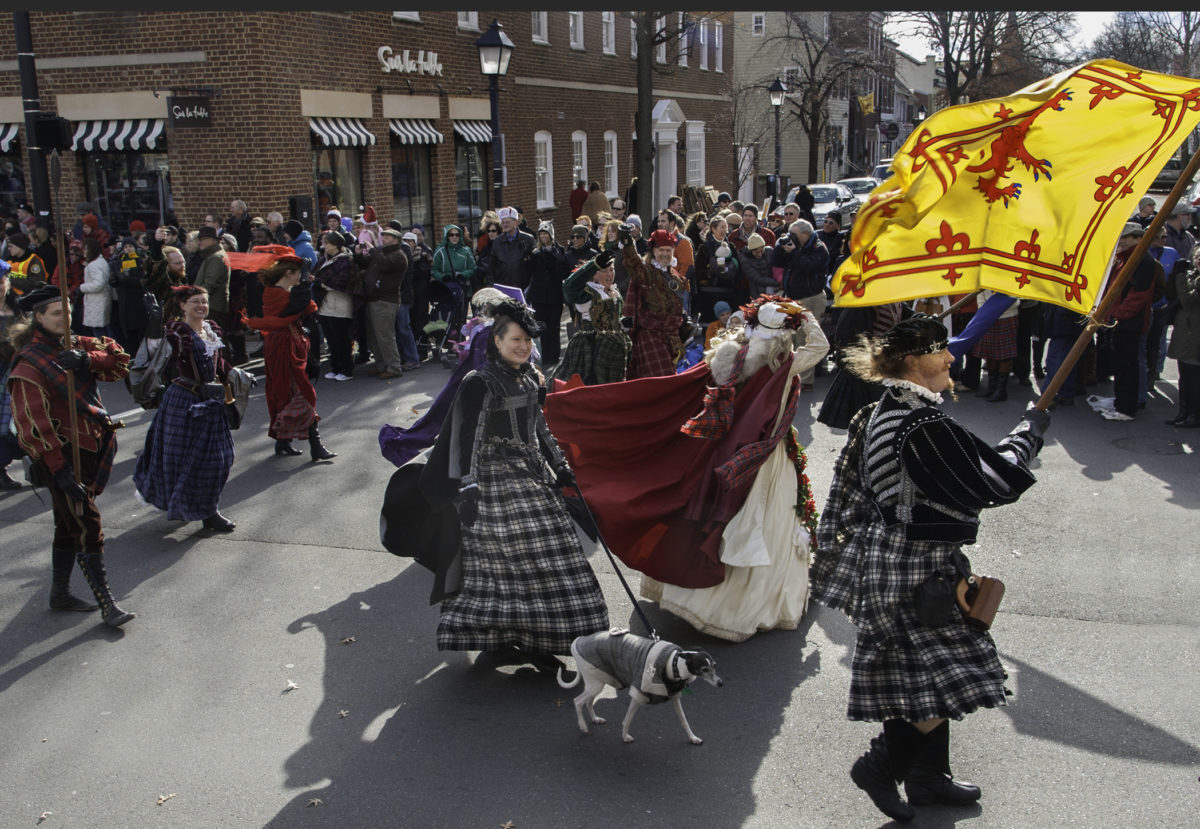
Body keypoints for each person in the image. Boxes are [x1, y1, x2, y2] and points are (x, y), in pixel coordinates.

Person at [810, 315, 1049, 822]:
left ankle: (927, 777)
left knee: (921, 674)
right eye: (942, 351)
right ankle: (881, 764)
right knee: (944, 677)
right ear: (915, 362)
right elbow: (993, 483)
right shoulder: (921, 425)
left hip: (902, 558)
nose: (952, 359)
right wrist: (1028, 435)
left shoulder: (886, 409)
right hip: (911, 568)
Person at [411, 299, 609, 671]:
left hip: (530, 472)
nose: (523, 346)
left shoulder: (533, 376)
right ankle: (505, 640)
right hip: (492, 481)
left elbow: (540, 427)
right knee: (502, 568)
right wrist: (469, 488)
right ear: (496, 341)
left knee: (550, 556)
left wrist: (560, 465)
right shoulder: (480, 382)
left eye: (527, 341)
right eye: (516, 339)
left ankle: (537, 640)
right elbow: (468, 439)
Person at [7, 283, 135, 626]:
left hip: (92, 445)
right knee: (86, 524)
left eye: (66, 310)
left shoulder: (77, 344)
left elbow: (119, 361)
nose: (64, 317)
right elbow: (31, 420)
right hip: (61, 456)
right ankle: (108, 604)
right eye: (54, 313)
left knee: (67, 525)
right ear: (38, 318)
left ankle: (59, 594)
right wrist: (59, 469)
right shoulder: (29, 362)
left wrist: (86, 359)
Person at [132, 285, 237, 532]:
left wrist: (235, 374)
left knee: (220, 459)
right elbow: (155, 354)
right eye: (195, 302)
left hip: (211, 402)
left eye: (204, 301)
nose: (201, 306)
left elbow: (218, 362)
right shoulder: (177, 332)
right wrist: (154, 324)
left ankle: (206, 508)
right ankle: (206, 511)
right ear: (182, 305)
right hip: (183, 401)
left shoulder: (211, 330)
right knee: (181, 460)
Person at [241, 245, 337, 461]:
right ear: (288, 273)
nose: (300, 278)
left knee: (291, 393)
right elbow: (295, 308)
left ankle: (283, 442)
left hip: (291, 342)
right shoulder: (274, 292)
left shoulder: (288, 291)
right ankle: (316, 445)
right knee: (300, 392)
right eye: (296, 274)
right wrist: (304, 280)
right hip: (281, 346)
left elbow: (305, 311)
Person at [558, 248, 631, 385]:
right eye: (604, 270)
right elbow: (569, 287)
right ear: (594, 275)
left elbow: (611, 319)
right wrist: (593, 265)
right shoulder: (588, 293)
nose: (609, 274)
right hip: (593, 349)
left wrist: (622, 323)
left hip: (615, 350)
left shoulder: (613, 292)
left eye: (611, 269)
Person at [772, 219, 829, 389]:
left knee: (805, 338)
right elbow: (776, 263)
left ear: (805, 234)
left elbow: (808, 267)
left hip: (811, 297)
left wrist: (794, 252)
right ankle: (793, 375)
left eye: (794, 234)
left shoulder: (819, 248)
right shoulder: (794, 246)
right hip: (792, 298)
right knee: (791, 337)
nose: (791, 237)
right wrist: (779, 247)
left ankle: (805, 381)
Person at [624, 228, 687, 379]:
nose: (665, 254)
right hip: (650, 335)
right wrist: (628, 243)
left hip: (672, 336)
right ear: (653, 250)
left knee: (671, 379)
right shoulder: (646, 272)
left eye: (668, 250)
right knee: (660, 380)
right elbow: (633, 263)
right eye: (661, 250)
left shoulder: (676, 277)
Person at [353, 226, 409, 379]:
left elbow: (384, 264)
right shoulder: (381, 253)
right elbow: (366, 264)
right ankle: (381, 365)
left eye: (387, 237)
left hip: (385, 301)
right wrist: (358, 255)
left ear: (395, 240)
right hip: (372, 299)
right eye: (382, 236)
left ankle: (394, 367)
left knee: (385, 335)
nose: (383, 238)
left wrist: (372, 251)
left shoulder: (398, 256)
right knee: (373, 336)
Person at [313, 230, 359, 381]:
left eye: (327, 243)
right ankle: (335, 367)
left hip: (341, 306)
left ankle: (346, 369)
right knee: (331, 339)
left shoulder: (346, 261)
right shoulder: (323, 260)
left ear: (336, 245)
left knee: (342, 340)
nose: (324, 245)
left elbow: (342, 283)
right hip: (325, 305)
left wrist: (320, 282)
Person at [1165, 245, 1200, 427]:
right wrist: (1176, 275)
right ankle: (1183, 411)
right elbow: (1171, 294)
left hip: (1195, 335)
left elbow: (1188, 300)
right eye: (1197, 257)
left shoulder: (1193, 279)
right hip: (1185, 331)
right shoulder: (1191, 275)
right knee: (1184, 376)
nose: (1198, 260)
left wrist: (1180, 277)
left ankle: (1193, 414)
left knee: (1194, 378)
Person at [528, 220, 567, 368]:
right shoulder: (535, 252)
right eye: (541, 234)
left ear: (551, 235)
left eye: (546, 233)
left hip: (554, 296)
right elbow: (531, 271)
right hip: (539, 296)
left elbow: (561, 272)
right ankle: (544, 356)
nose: (543, 237)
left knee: (554, 327)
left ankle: (554, 356)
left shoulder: (559, 250)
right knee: (541, 326)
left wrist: (551, 256)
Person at [485, 206, 534, 291]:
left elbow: (534, 268)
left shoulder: (528, 240)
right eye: (503, 222)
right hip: (502, 289)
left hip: (523, 289)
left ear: (516, 222)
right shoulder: (497, 242)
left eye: (507, 222)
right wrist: (491, 289)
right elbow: (491, 269)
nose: (505, 224)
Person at [77, 238, 115, 339]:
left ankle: (107, 352)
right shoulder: (101, 262)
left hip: (96, 303)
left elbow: (99, 284)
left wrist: (82, 288)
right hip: (100, 302)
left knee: (100, 333)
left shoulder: (94, 265)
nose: (84, 252)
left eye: (86, 249)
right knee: (105, 331)